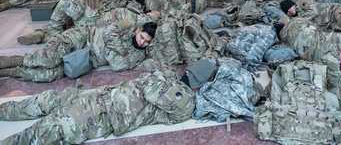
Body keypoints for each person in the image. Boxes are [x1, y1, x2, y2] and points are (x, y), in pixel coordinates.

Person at [0, 69, 195, 145]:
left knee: (39, 133)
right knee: (39, 102)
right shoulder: (167, 76)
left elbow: (153, 93)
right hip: (94, 96)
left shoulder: (184, 101)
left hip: (99, 116)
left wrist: (164, 79)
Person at [0, 0, 159, 82]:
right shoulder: (130, 21)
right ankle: (9, 60)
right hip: (84, 35)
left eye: (146, 42)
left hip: (86, 59)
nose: (142, 42)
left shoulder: (138, 53)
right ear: (138, 29)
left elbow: (118, 64)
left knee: (48, 75)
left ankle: (10, 72)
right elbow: (108, 30)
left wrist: (114, 39)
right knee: (48, 58)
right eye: (142, 37)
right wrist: (118, 47)